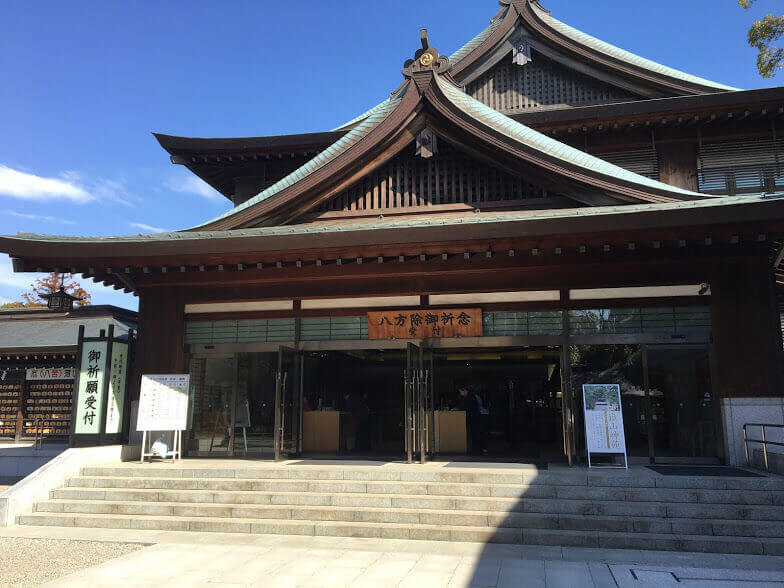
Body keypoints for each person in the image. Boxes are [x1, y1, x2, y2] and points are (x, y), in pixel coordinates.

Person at [459, 385, 483, 456]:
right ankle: (476, 449)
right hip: (474, 417)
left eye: (461, 392)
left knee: (474, 434)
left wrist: (459, 409)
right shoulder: (470, 397)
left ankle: (476, 450)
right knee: (475, 434)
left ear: (465, 391)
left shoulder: (470, 397)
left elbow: (467, 407)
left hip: (473, 418)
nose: (460, 393)